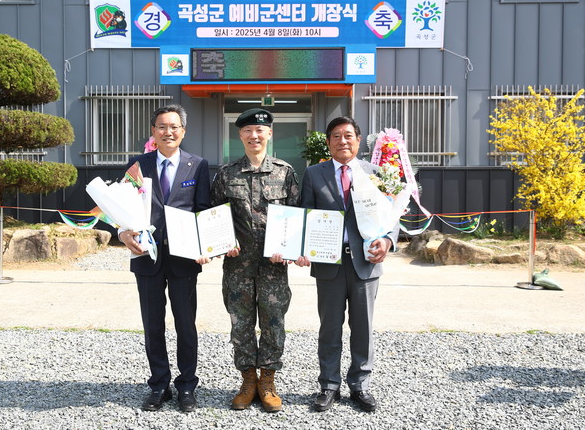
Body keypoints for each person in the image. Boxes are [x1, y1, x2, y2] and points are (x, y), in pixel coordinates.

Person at [297, 116, 399, 413]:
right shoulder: (313, 174)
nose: (343, 141)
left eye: (348, 135)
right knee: (329, 328)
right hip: (328, 262)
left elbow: (392, 216)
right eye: (336, 136)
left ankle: (359, 385)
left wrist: (388, 241)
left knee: (363, 327)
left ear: (358, 140)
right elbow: (305, 213)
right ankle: (329, 385)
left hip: (365, 262)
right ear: (328, 142)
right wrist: (302, 247)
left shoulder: (377, 173)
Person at [118, 104, 211, 413]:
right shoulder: (137, 165)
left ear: (183, 131)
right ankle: (159, 385)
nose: (168, 132)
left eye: (174, 127)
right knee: (152, 324)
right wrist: (123, 234)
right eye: (162, 126)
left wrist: (206, 246)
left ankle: (187, 385)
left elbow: (203, 210)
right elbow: (120, 208)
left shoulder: (198, 165)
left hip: (185, 259)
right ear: (153, 132)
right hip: (147, 257)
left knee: (186, 323)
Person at [210, 108, 300, 412]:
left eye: (260, 130)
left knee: (274, 324)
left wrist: (290, 247)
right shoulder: (226, 174)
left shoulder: (285, 172)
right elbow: (213, 215)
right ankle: (248, 380)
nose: (254, 136)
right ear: (240, 135)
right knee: (241, 326)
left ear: (269, 134)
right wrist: (224, 240)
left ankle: (268, 381)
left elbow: (296, 216)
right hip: (238, 266)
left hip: (274, 268)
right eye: (248, 131)